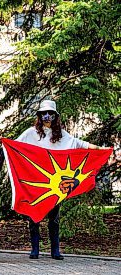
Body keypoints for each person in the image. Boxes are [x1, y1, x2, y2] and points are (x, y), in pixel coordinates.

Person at [16, 99, 108, 260]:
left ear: (55, 116)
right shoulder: (30, 133)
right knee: (34, 216)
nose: (46, 116)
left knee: (54, 218)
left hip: (55, 185)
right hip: (36, 183)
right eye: (43, 113)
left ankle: (55, 250)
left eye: (50, 113)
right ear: (39, 116)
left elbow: (80, 144)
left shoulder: (62, 135)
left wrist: (101, 149)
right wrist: (3, 143)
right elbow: (15, 146)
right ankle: (35, 249)